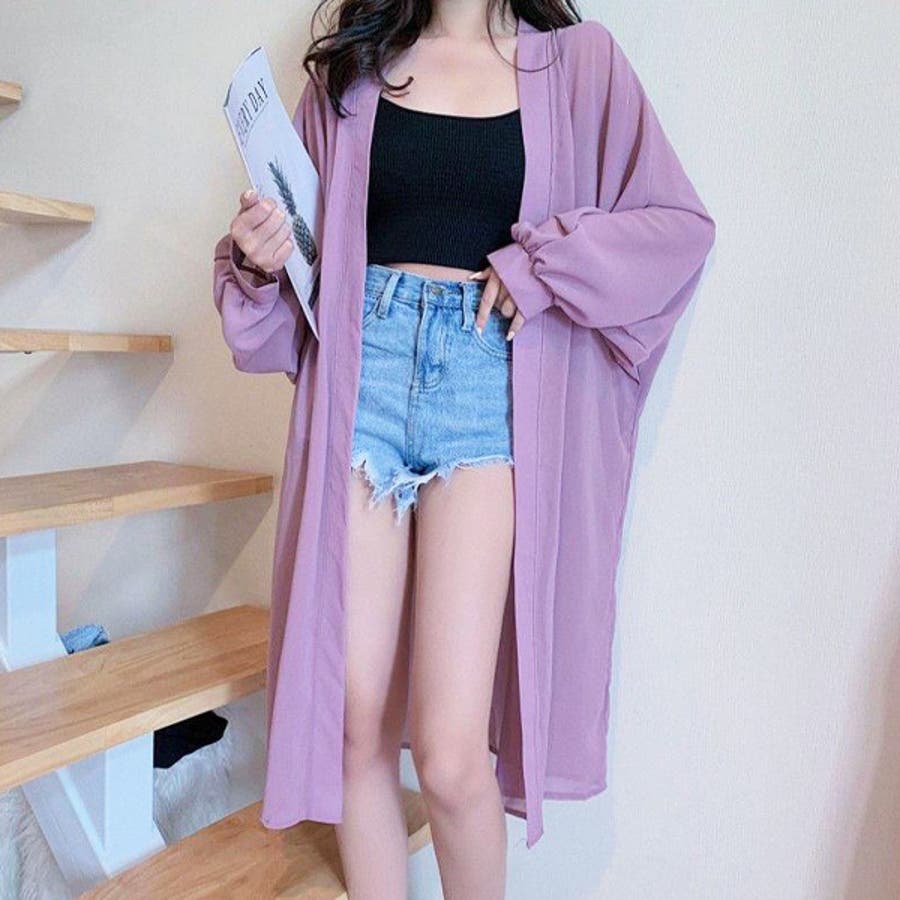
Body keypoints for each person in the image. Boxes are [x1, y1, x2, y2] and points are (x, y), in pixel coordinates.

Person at [214, 1, 715, 897]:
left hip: (488, 388)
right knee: (356, 724)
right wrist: (257, 260)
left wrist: (540, 266)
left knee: (449, 757)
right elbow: (302, 283)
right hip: (363, 378)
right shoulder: (351, 77)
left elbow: (676, 229)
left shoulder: (581, 65)